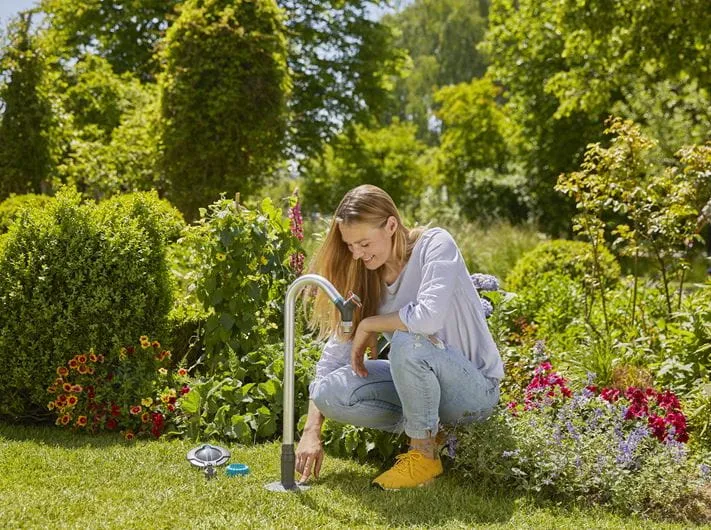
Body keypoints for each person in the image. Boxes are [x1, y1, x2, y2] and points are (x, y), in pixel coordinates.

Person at [295, 184, 504, 490]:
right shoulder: (368, 276)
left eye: (364, 243)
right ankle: (433, 432)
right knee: (329, 392)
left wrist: (370, 324)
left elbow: (427, 317)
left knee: (409, 341)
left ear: (391, 225)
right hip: (422, 388)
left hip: (473, 392)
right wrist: (311, 429)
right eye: (351, 246)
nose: (356, 254)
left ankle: (423, 456)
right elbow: (334, 358)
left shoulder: (436, 245)